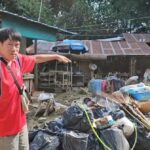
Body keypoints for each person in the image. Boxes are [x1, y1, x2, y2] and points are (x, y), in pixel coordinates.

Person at [0, 28, 71, 150]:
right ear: (0, 45)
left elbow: (36, 58)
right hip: (5, 129)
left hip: (21, 123)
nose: (14, 49)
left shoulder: (18, 60)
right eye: (9, 45)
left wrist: (56, 56)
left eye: (17, 45)